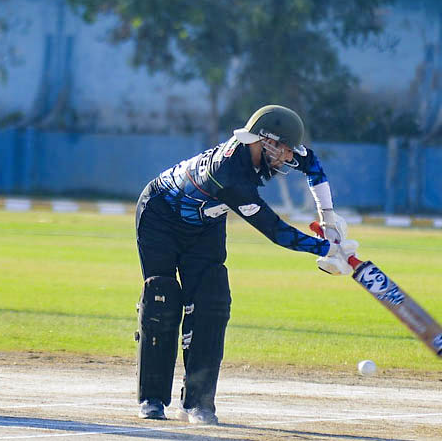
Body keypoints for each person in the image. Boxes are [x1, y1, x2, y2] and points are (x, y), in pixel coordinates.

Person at [134, 104, 357, 425]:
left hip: (205, 225)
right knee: (162, 298)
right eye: (284, 150)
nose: (286, 158)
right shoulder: (229, 176)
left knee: (211, 301)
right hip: (160, 216)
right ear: (266, 141)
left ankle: (197, 403)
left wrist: (329, 220)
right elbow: (275, 231)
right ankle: (152, 399)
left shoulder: (269, 149)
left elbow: (313, 166)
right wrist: (327, 248)